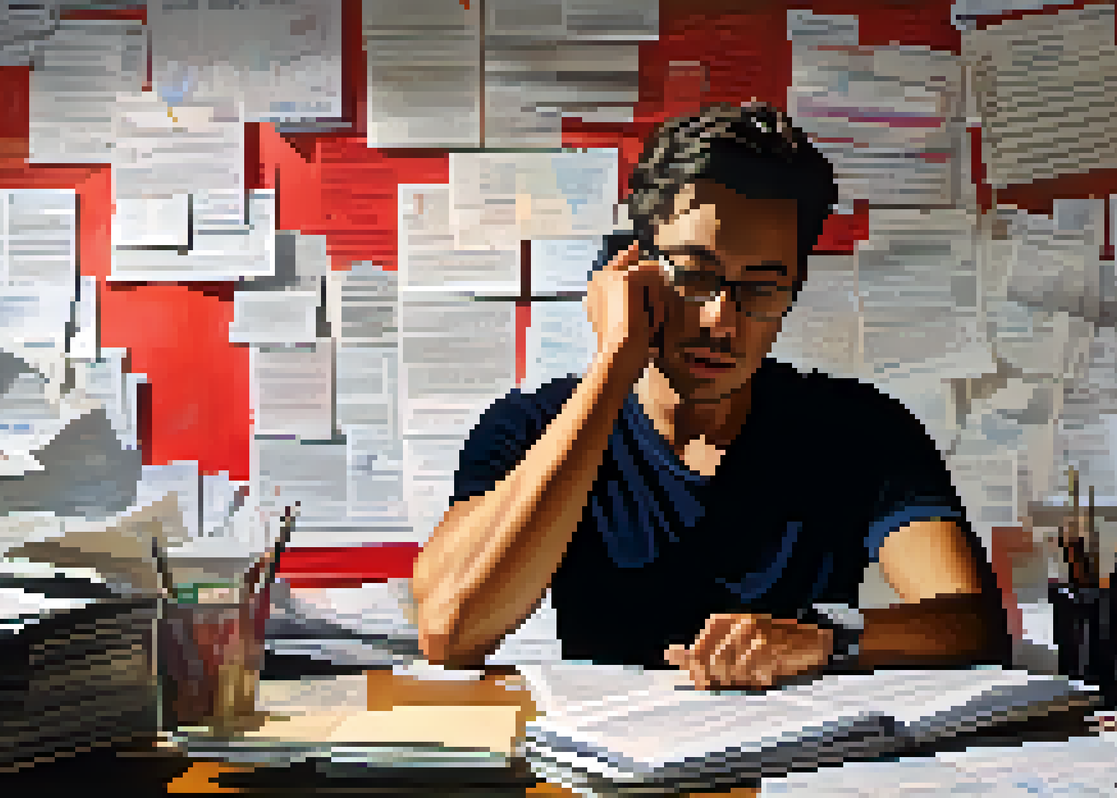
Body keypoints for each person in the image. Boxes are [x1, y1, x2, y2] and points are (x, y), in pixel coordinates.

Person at [412, 101, 1010, 690]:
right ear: (633, 270)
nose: (722, 319)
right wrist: (614, 362)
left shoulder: (860, 430)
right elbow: (449, 630)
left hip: (802, 767)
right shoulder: (531, 426)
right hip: (609, 763)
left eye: (761, 288)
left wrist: (826, 639)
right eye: (693, 276)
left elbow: (973, 625)